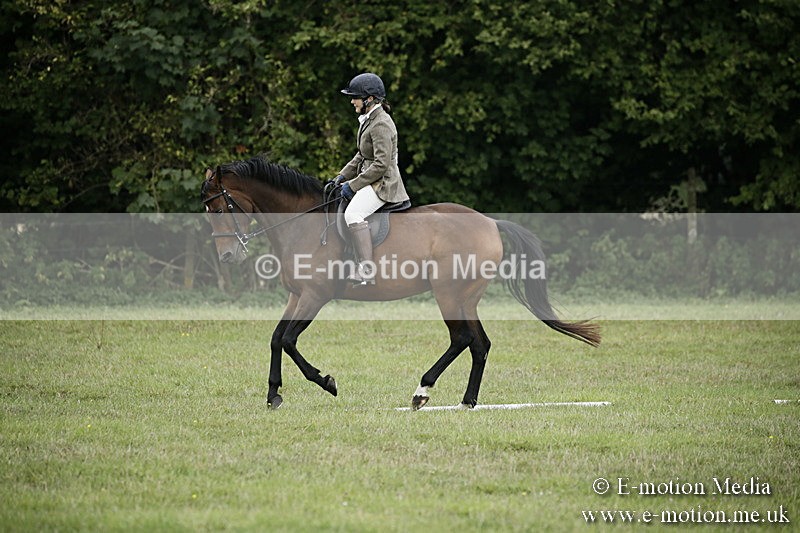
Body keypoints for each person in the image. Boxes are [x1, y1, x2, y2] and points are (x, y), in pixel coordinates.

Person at [334, 72, 410, 286]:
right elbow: (362, 154)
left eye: (355, 97)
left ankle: (366, 269)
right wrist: (341, 176)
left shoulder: (381, 124)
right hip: (372, 177)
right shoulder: (369, 120)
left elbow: (381, 164)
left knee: (354, 213)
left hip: (384, 183)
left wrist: (354, 185)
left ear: (369, 99)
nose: (352, 101)